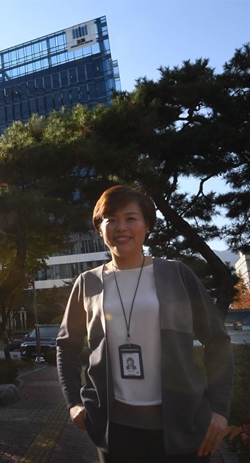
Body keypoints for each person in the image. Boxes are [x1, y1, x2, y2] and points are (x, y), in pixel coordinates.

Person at [56, 185, 234, 463]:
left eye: (131, 218)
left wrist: (220, 409)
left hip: (182, 425)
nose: (120, 227)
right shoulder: (88, 282)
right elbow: (66, 347)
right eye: (110, 219)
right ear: (99, 228)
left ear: (147, 226)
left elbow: (217, 339)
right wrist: (74, 404)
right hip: (114, 430)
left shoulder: (176, 274)